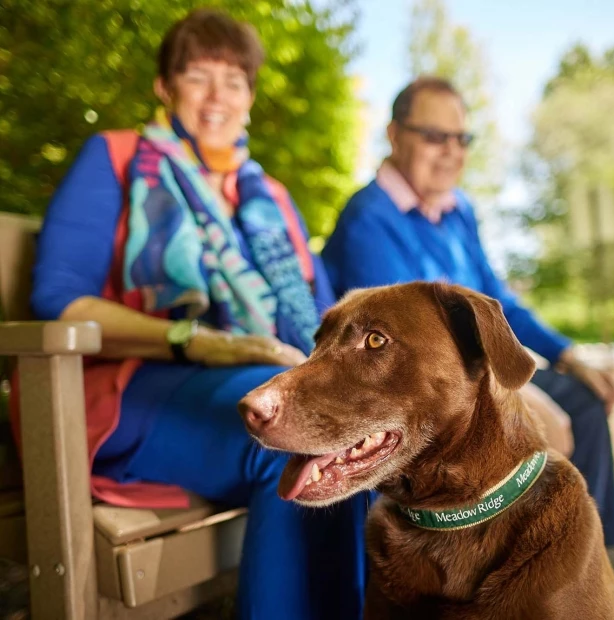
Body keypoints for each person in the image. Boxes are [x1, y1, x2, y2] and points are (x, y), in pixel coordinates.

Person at [13, 10, 369, 619]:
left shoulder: (271, 198)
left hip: (250, 381)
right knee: (293, 439)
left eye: (233, 81)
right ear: (164, 87)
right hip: (121, 389)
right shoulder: (118, 158)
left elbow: (324, 318)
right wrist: (199, 341)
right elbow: (58, 298)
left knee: (352, 433)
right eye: (198, 77)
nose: (216, 97)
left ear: (250, 97)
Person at [322, 76, 614, 547]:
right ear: (395, 134)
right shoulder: (369, 219)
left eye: (461, 138)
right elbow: (406, 355)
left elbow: (497, 304)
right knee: (553, 417)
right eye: (434, 136)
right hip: (425, 392)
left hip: (476, 377)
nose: (451, 151)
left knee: (584, 402)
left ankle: (594, 568)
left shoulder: (457, 210)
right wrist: (526, 399)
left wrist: (567, 356)